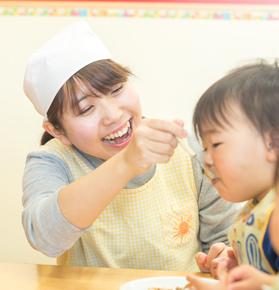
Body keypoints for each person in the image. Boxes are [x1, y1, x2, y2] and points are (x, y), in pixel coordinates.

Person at [22, 21, 240, 270]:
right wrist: (125, 163)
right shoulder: (51, 162)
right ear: (57, 130)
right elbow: (45, 238)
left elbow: (223, 240)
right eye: (86, 109)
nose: (113, 115)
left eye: (116, 90)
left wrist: (222, 258)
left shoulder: (188, 148)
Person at [185, 60, 279, 289]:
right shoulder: (259, 205)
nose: (206, 159)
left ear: (272, 143)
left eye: (216, 144)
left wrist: (265, 283)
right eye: (204, 148)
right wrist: (241, 268)